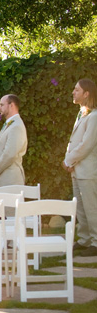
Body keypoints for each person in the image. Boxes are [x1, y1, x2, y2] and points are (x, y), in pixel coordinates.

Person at [63, 79, 97, 257]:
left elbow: (86, 145)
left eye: (77, 90)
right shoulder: (82, 114)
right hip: (77, 170)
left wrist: (69, 160)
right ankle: (84, 239)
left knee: (91, 207)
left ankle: (96, 241)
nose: (73, 92)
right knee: (81, 207)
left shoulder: (95, 116)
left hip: (88, 170)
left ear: (86, 94)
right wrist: (70, 162)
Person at [0, 94, 27, 186]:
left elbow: (9, 154)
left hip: (10, 180)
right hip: (4, 178)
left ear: (11, 105)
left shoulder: (16, 126)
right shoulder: (11, 124)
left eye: (2, 105)